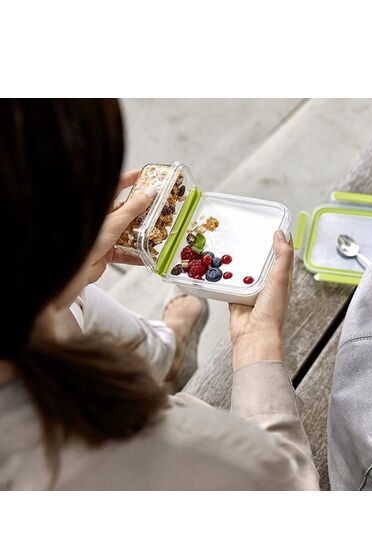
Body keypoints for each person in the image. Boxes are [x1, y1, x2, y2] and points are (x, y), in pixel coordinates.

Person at [0, 99, 319, 490]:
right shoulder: (152, 445)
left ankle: (168, 356)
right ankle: (168, 354)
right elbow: (287, 484)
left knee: (80, 306)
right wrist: (257, 342)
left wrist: (62, 282)